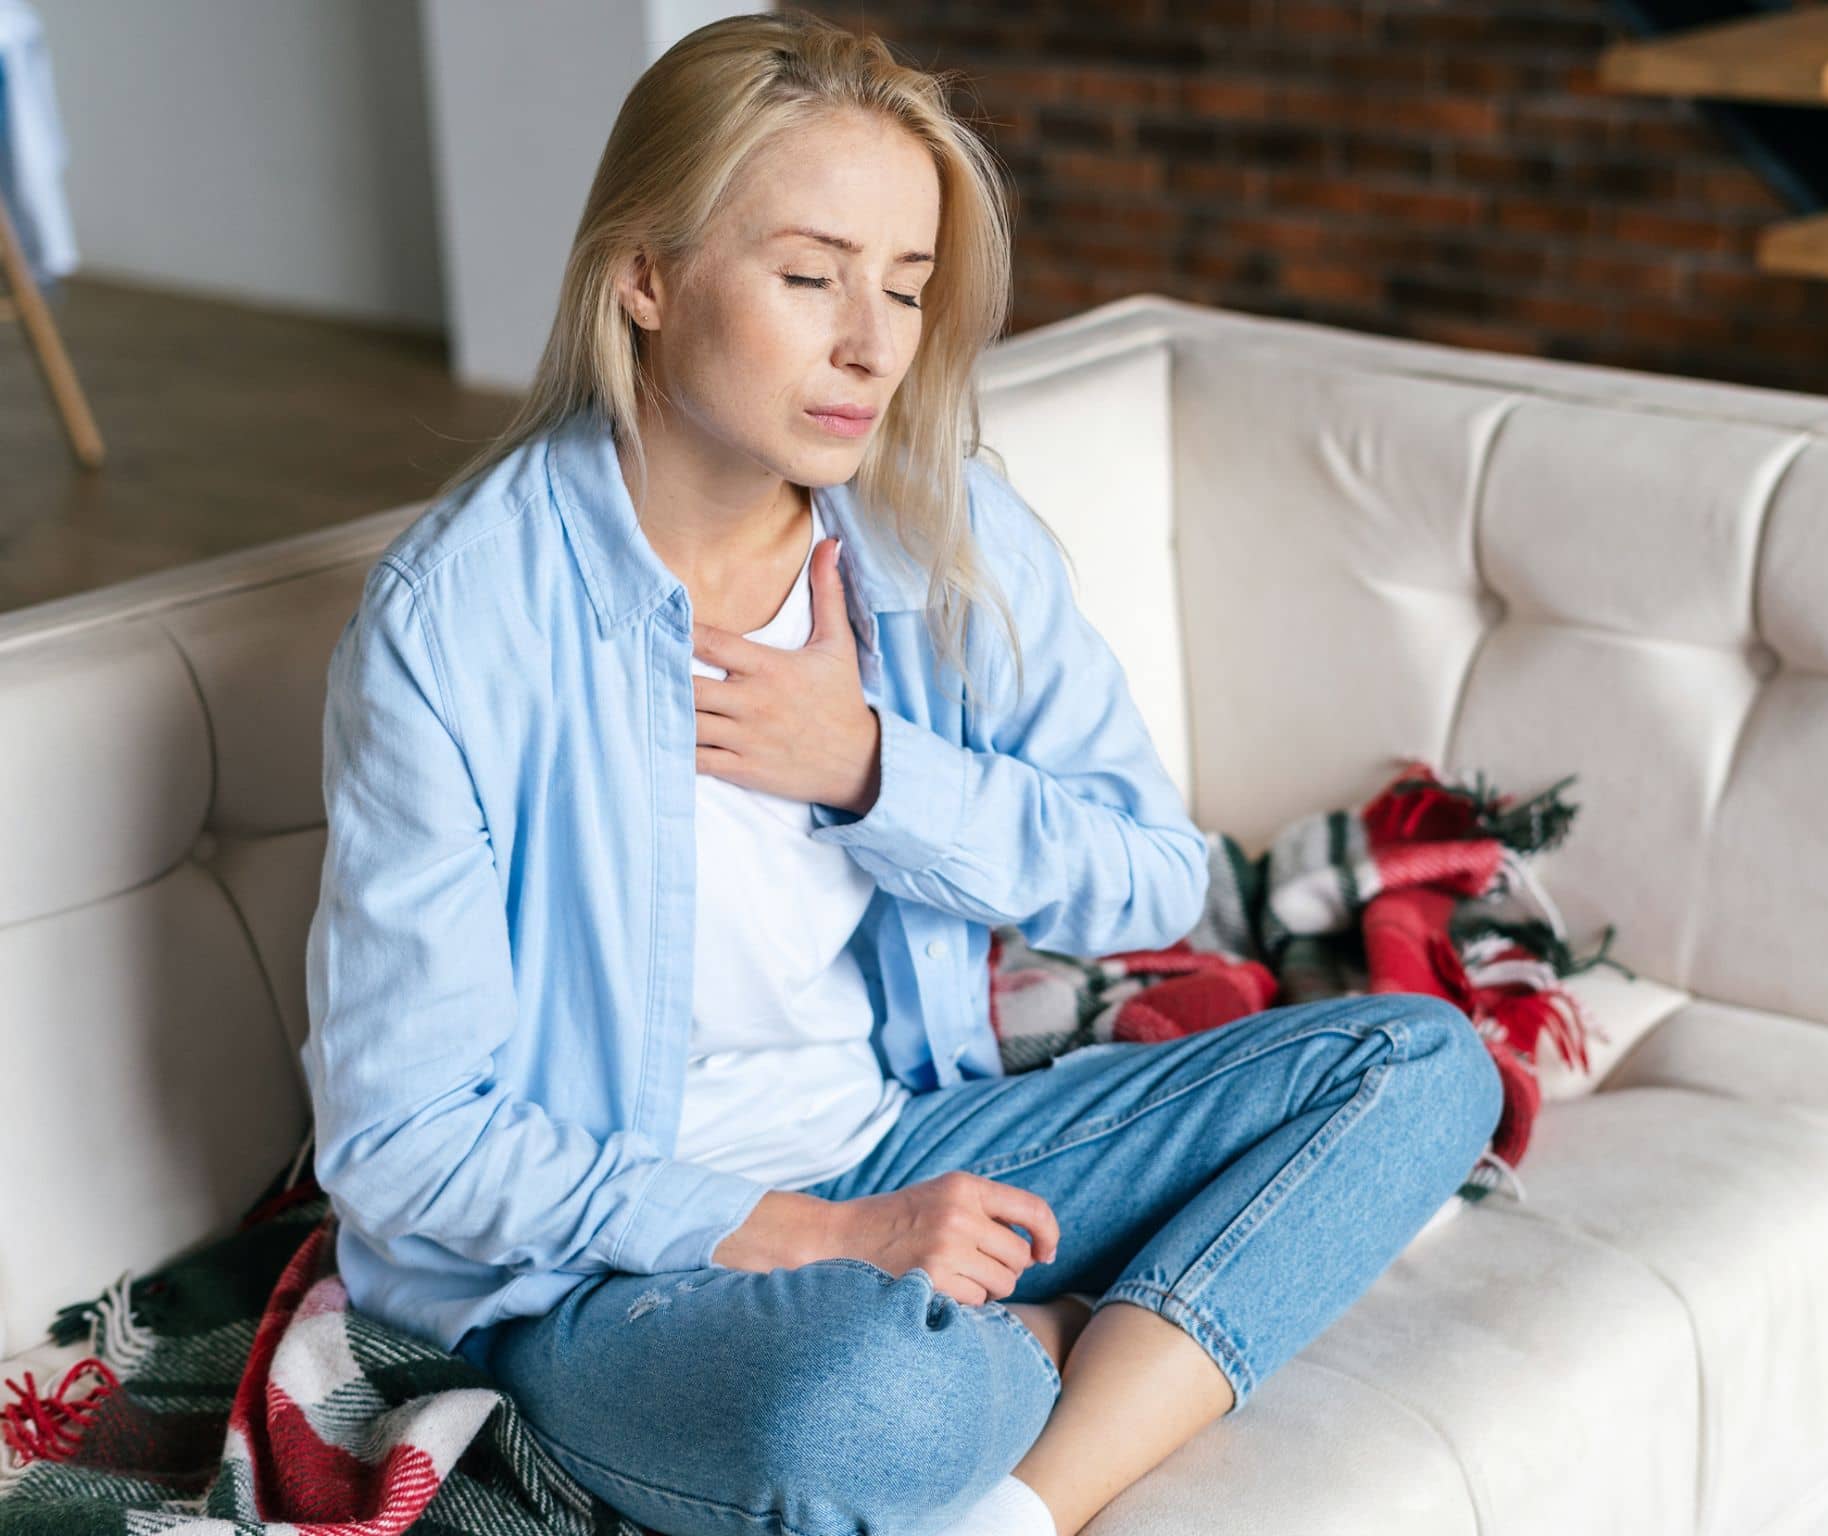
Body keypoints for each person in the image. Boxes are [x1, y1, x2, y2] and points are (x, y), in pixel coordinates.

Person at [299, 11, 1504, 1536]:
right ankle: (1078, 1339)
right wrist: (827, 1238)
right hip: (608, 1268)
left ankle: (1016, 1506)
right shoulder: (460, 623)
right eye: (810, 279)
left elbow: (1153, 873)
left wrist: (875, 770)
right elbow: (407, 1138)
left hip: (910, 1142)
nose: (873, 343)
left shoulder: (944, 536)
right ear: (648, 276)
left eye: (908, 288)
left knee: (1420, 1067)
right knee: (864, 1404)